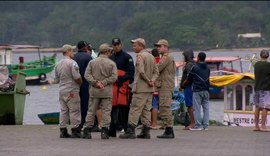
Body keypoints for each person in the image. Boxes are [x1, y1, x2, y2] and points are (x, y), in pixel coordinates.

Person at [119, 38, 159, 139]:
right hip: (149, 89)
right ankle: (146, 130)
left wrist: (147, 80)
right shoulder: (151, 56)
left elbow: (140, 71)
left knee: (135, 109)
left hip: (141, 87)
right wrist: (152, 81)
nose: (133, 47)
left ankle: (130, 130)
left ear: (141, 46)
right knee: (146, 109)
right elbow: (156, 72)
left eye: (135, 45)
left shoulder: (140, 56)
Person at [82, 43, 118, 139]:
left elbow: (86, 75)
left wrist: (95, 83)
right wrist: (104, 82)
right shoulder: (111, 63)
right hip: (106, 91)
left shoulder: (92, 62)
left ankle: (87, 130)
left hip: (94, 90)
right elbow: (114, 77)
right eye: (110, 51)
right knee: (106, 111)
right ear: (107, 52)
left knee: (91, 111)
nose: (111, 52)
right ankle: (104, 131)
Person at [53, 44, 82, 138]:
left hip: (62, 90)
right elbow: (77, 77)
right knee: (74, 110)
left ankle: (63, 130)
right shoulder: (72, 63)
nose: (73, 52)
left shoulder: (58, 64)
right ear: (68, 51)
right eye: (72, 51)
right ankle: (76, 130)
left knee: (63, 110)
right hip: (72, 89)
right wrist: (80, 83)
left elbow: (56, 80)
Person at [109, 38, 135, 137]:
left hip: (123, 86)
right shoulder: (111, 57)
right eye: (114, 45)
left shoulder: (127, 57)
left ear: (121, 45)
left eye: (118, 44)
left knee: (124, 108)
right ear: (112, 46)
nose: (116, 46)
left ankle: (126, 128)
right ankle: (112, 129)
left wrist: (120, 79)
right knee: (112, 108)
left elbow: (131, 72)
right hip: (113, 86)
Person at [154, 39, 176, 138]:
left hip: (165, 86)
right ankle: (168, 129)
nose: (158, 48)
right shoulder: (166, 57)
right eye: (157, 46)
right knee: (164, 107)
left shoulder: (166, 57)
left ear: (166, 47)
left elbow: (157, 68)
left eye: (160, 46)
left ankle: (169, 130)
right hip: (165, 85)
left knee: (165, 107)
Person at [183, 52, 210, 130]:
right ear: (205, 58)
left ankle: (198, 125)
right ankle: (206, 126)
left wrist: (183, 84)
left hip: (197, 90)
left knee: (197, 108)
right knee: (206, 108)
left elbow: (189, 78)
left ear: (198, 58)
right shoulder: (208, 68)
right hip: (206, 90)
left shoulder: (195, 67)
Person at [73, 41, 93, 131]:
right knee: (86, 103)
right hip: (85, 83)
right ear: (84, 47)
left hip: (75, 83)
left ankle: (77, 123)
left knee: (76, 104)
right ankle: (85, 123)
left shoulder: (74, 57)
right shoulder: (88, 56)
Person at [253, 50, 270, 132]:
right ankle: (263, 126)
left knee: (257, 107)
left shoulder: (256, 65)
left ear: (260, 56)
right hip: (266, 89)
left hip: (257, 88)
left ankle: (256, 126)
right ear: (268, 56)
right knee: (265, 108)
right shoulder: (268, 65)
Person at [180, 49, 196, 130]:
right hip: (190, 87)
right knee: (191, 105)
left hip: (188, 87)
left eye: (184, 56)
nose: (183, 58)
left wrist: (184, 83)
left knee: (189, 105)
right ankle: (193, 122)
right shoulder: (193, 63)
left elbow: (190, 76)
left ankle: (192, 123)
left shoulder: (189, 65)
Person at [150, 48, 160, 130]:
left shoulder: (152, 62)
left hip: (153, 86)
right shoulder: (161, 61)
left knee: (154, 105)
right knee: (163, 106)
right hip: (162, 87)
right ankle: (165, 124)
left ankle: (153, 123)